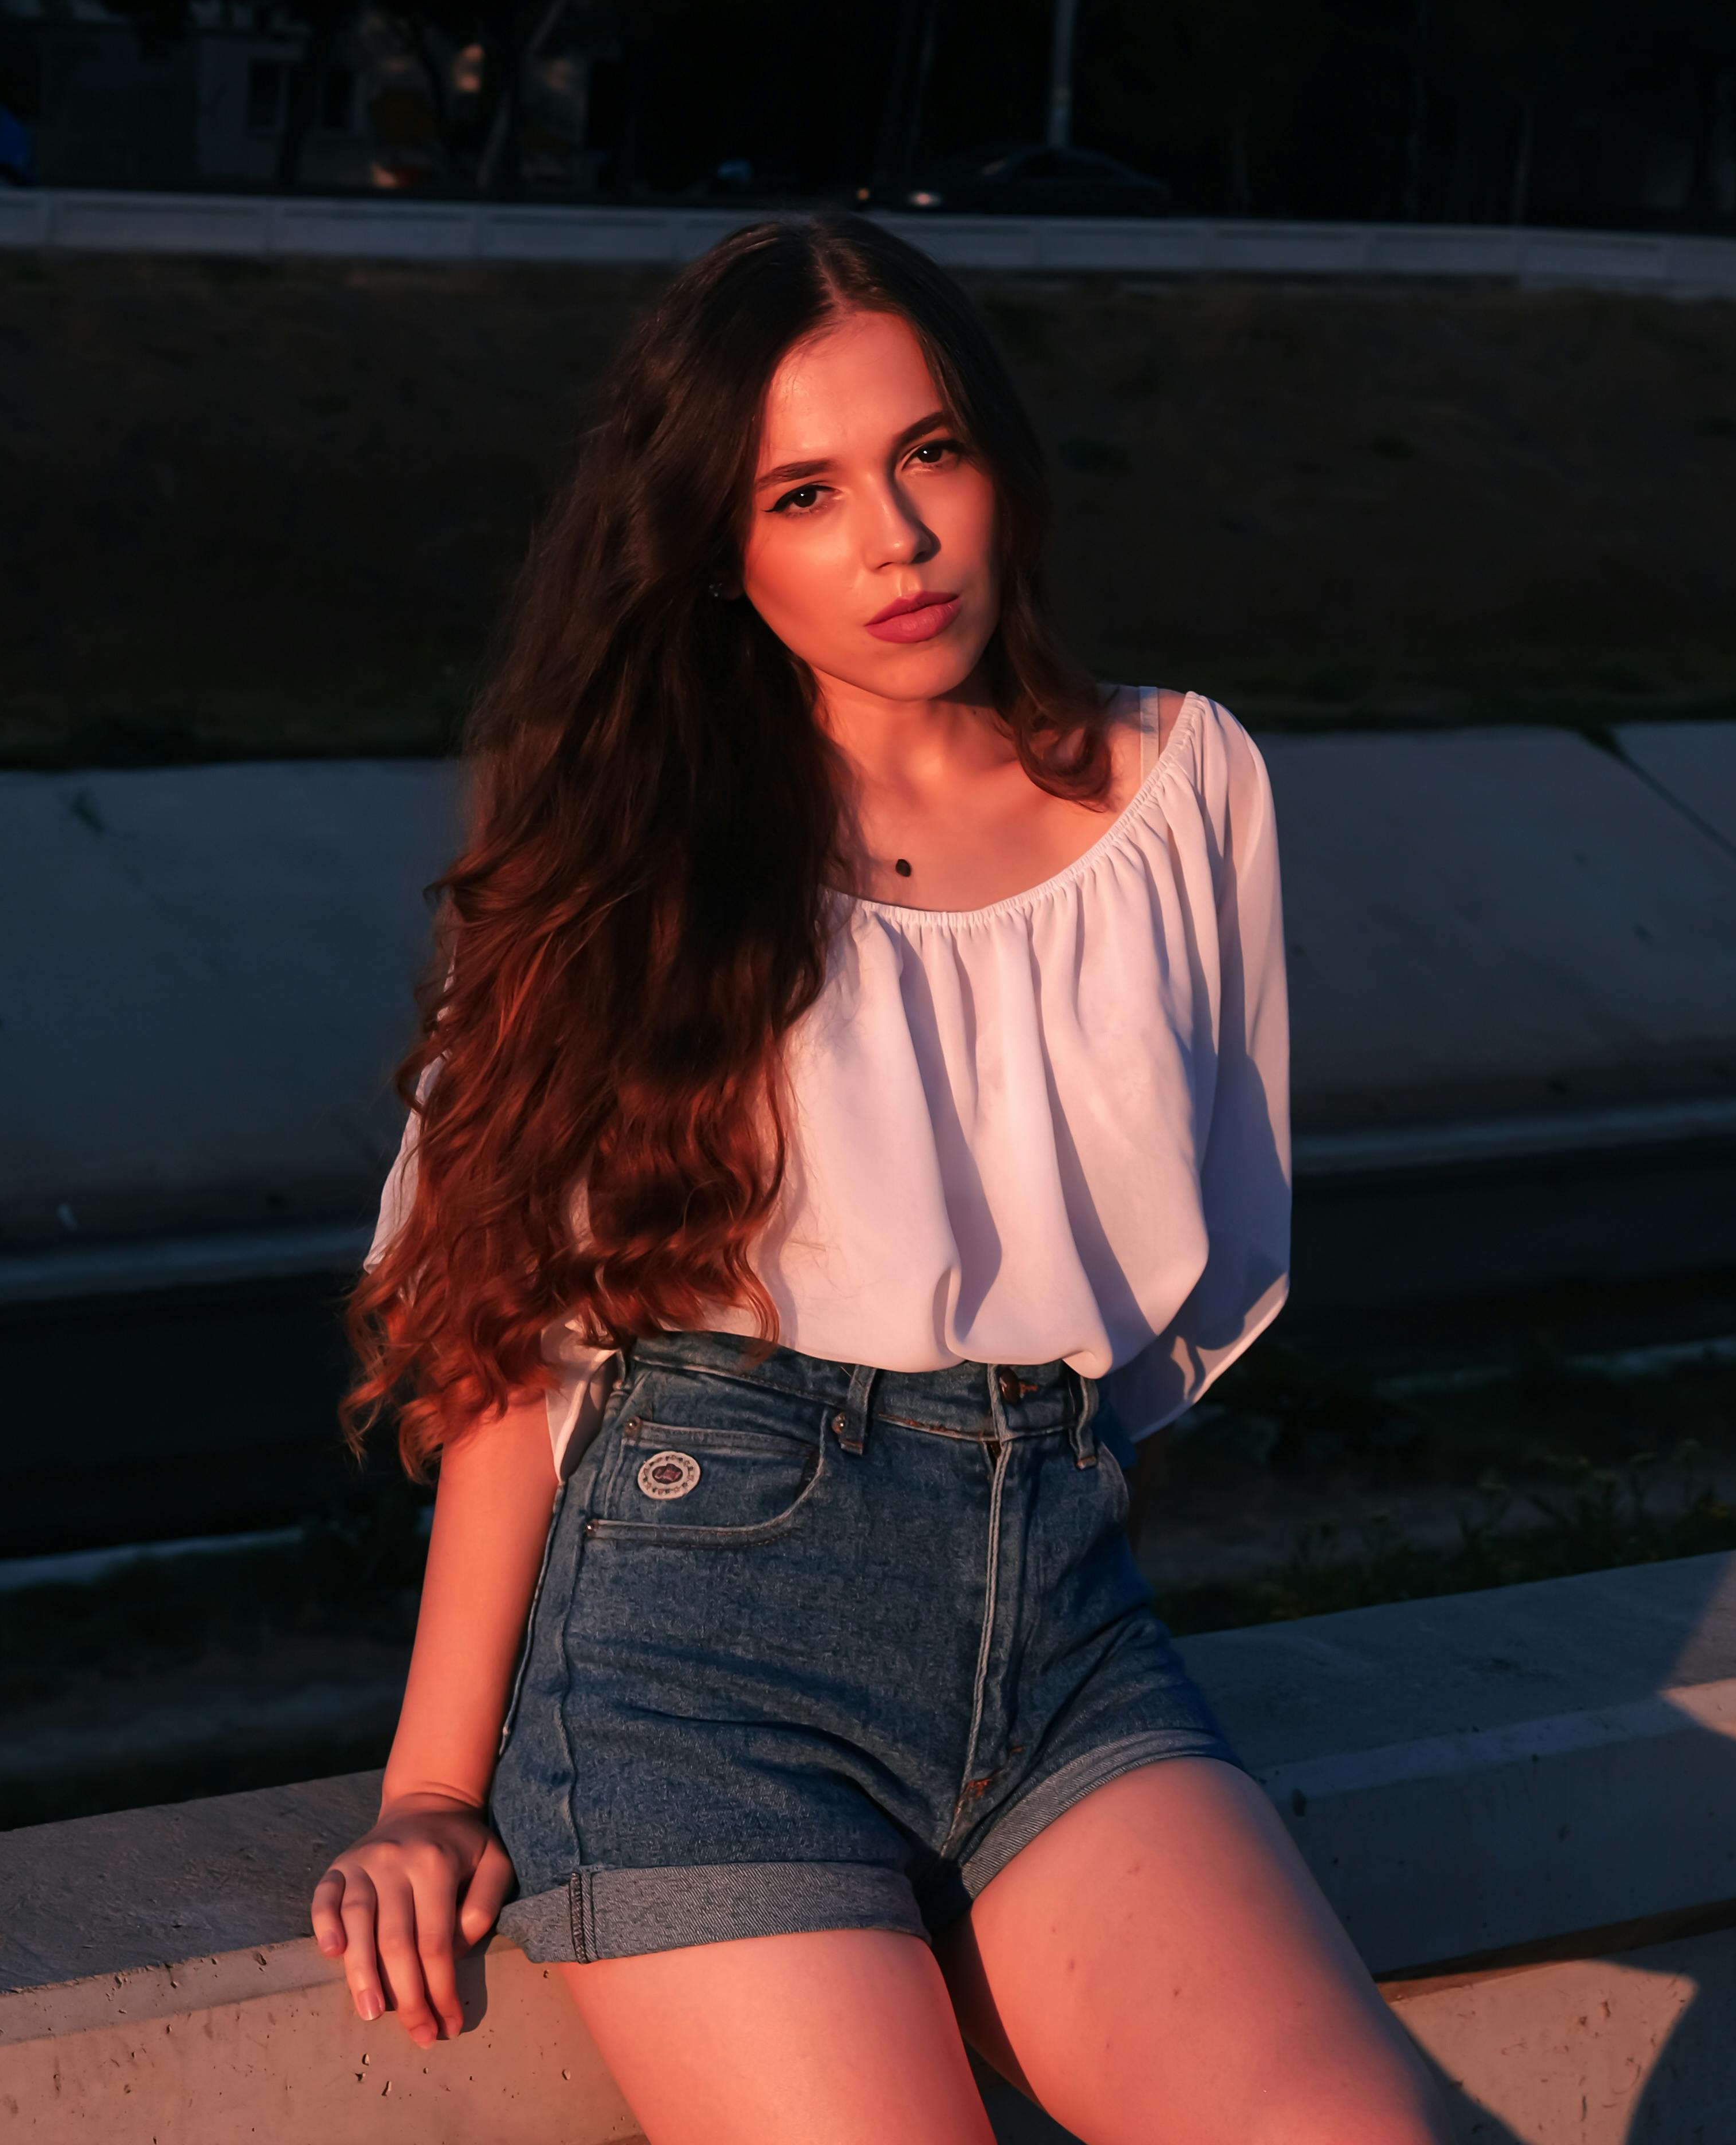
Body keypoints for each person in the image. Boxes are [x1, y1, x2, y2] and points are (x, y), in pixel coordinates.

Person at [313, 214, 1450, 2145]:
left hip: (1066, 1630)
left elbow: (1173, 1326)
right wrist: (432, 1781)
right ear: (723, 547)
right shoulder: (639, 848)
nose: (897, 541)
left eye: (930, 453)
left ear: (999, 456)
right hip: (698, 1660)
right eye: (807, 491)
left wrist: (1025, 1552)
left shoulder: (1180, 793)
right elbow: (509, 1331)